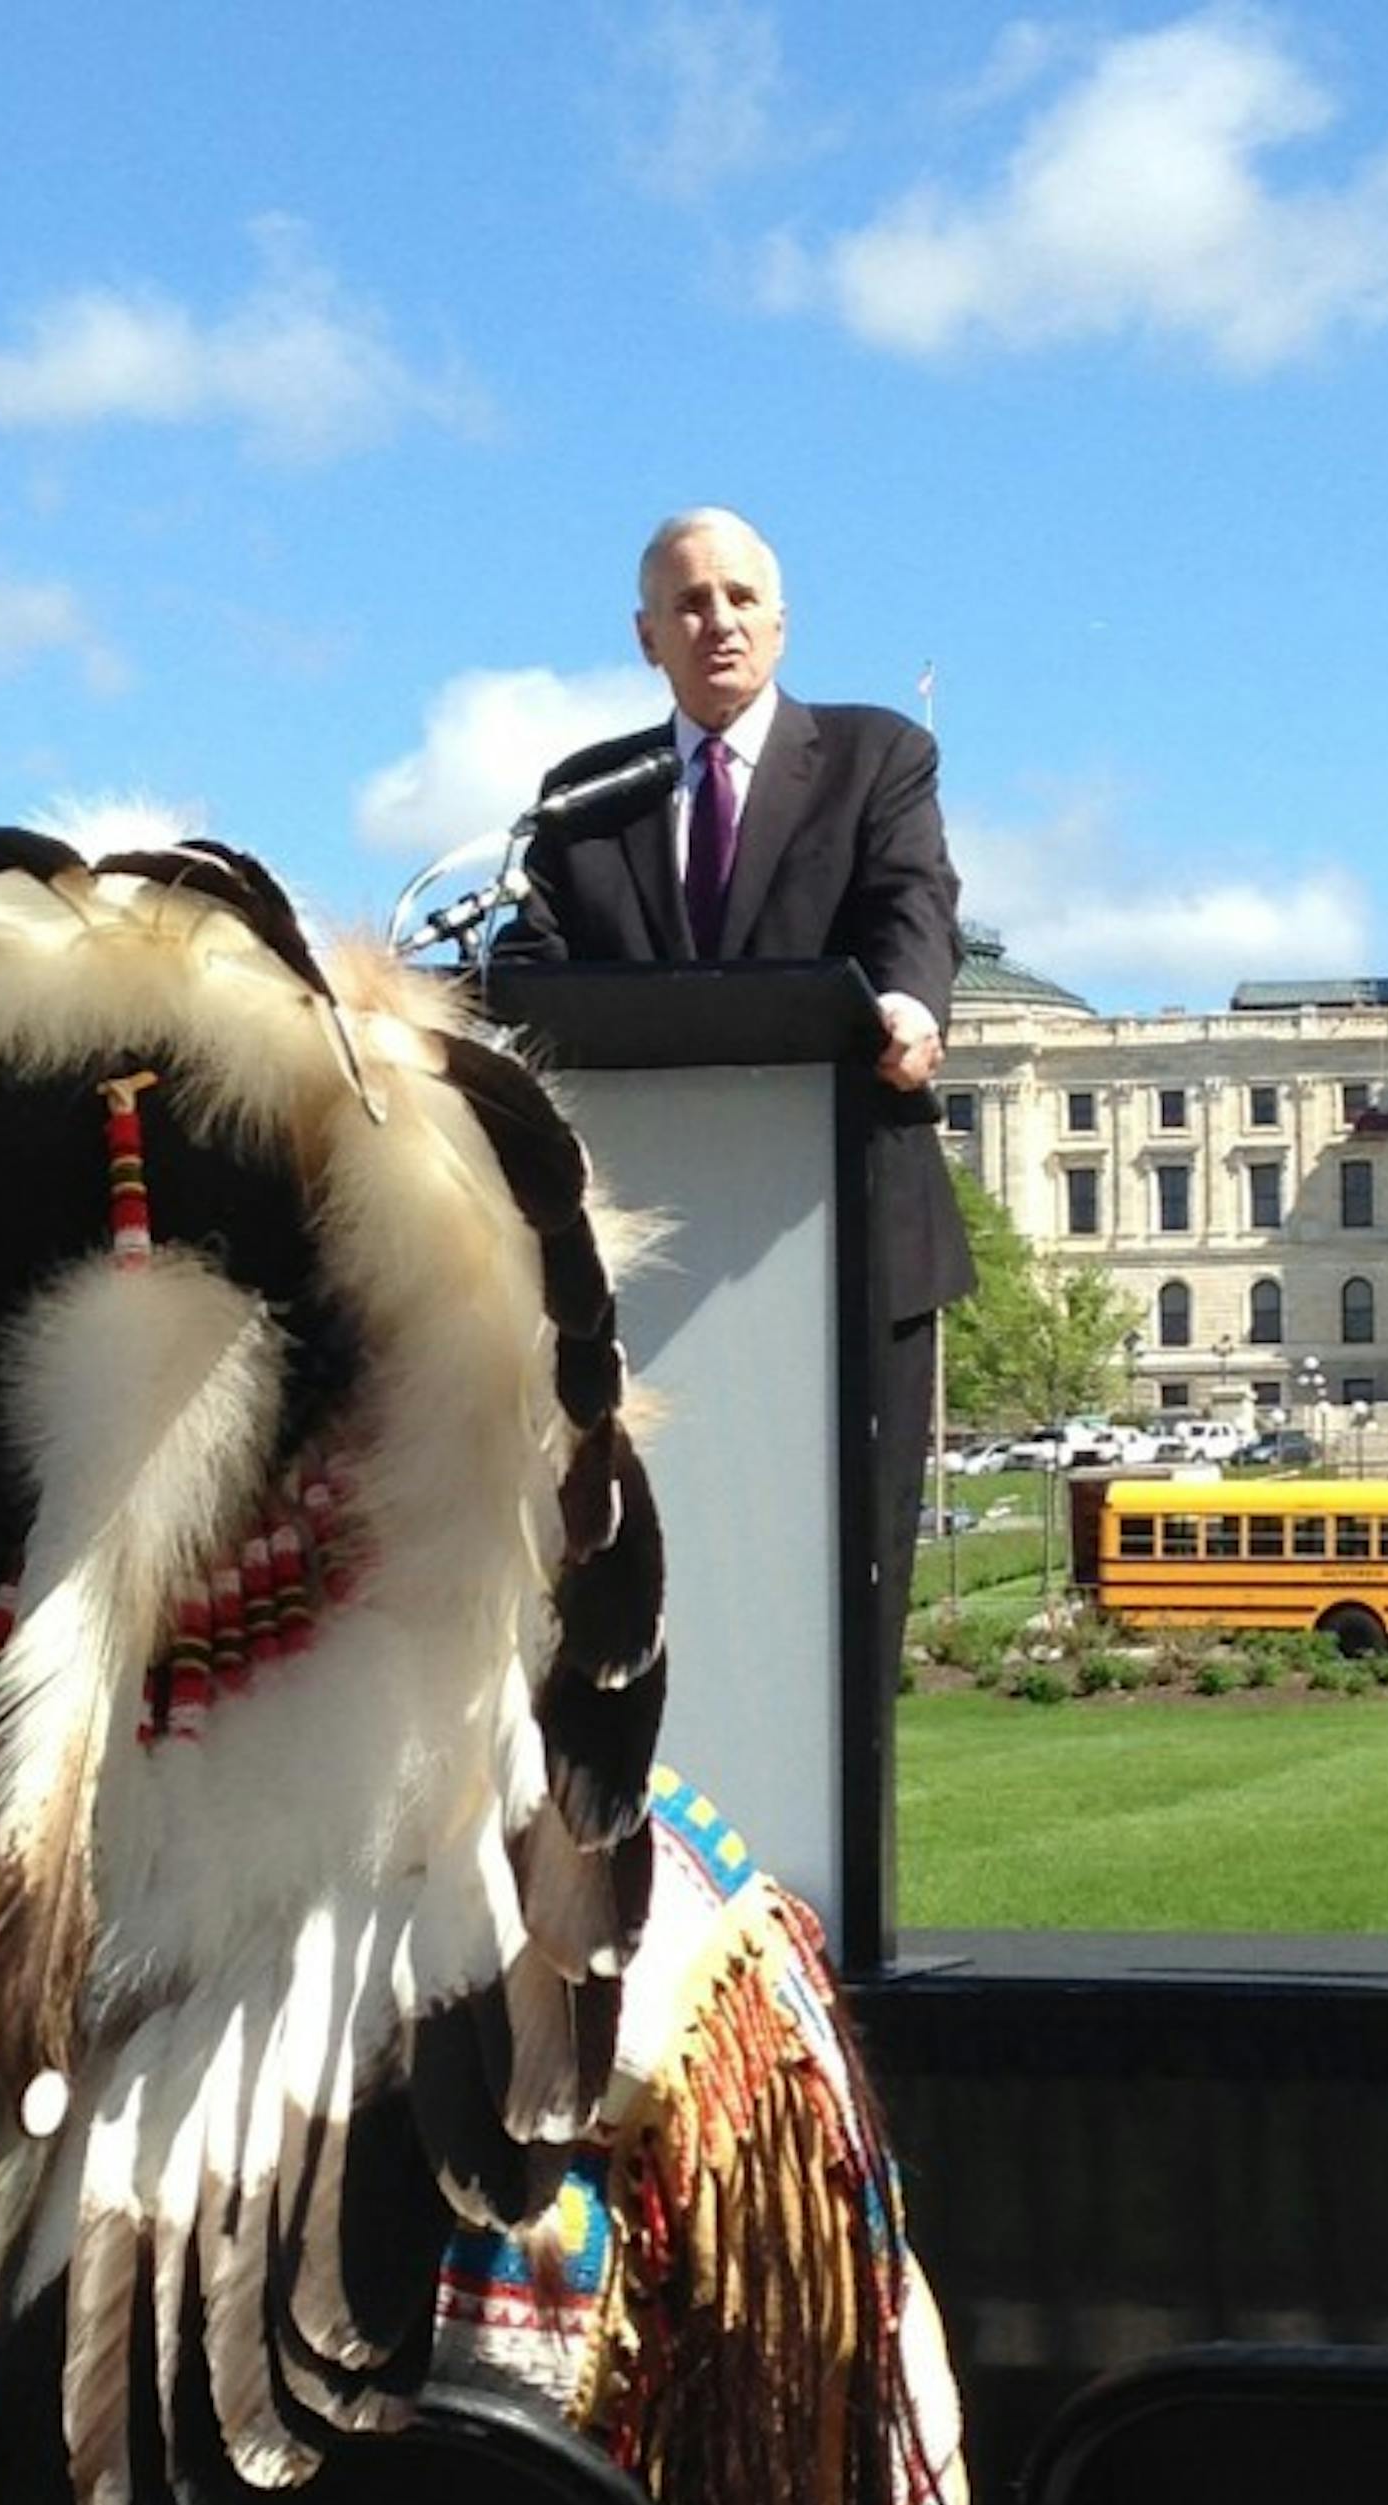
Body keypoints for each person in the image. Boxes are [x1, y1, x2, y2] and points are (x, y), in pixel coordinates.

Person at [496, 507, 975, 1700]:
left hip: (848, 1241)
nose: (719, 623)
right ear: (646, 635)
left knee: (842, 1591)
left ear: (782, 620)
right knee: (649, 1591)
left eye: (741, 599)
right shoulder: (586, 797)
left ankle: (833, 1882)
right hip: (646, 1259)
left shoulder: (875, 759)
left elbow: (914, 903)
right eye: (690, 603)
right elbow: (534, 980)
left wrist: (914, 1007)